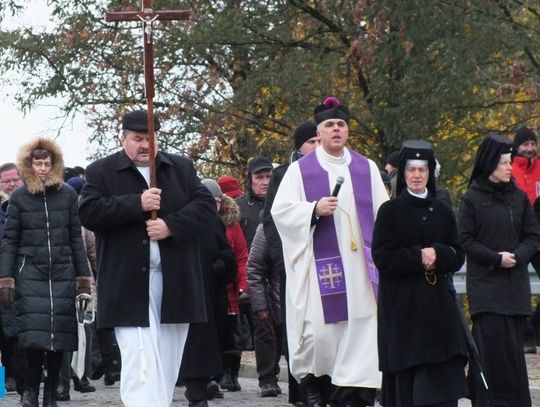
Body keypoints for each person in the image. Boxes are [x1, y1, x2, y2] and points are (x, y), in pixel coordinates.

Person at [78, 110, 216, 407]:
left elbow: (206, 206)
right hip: (128, 285)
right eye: (137, 139)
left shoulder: (180, 168)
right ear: (123, 139)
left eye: (150, 139)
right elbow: (89, 212)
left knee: (166, 363)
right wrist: (135, 203)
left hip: (176, 283)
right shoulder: (102, 171)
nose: (144, 145)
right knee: (141, 362)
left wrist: (171, 226)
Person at [271, 96, 388, 406]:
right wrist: (313, 209)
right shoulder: (301, 171)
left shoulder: (367, 168)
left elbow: (384, 214)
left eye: (341, 125)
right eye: (329, 125)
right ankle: (322, 388)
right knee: (322, 334)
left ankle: (357, 396)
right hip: (324, 271)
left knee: (363, 331)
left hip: (363, 272)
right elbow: (280, 212)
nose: (336, 129)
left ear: (347, 131)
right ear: (319, 133)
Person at [372, 140, 469, 406]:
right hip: (403, 311)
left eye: (422, 170)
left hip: (438, 312)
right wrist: (418, 257)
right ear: (403, 174)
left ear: (429, 173)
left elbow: (458, 253)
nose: (416, 175)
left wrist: (439, 254)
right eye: (411, 170)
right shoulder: (390, 211)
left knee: (441, 390)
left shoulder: (442, 211)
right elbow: (382, 256)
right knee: (408, 392)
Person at [0, 138, 92, 407]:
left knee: (60, 338)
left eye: (47, 163)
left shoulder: (67, 196)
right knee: (31, 338)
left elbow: (77, 239)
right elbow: (9, 241)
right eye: (37, 163)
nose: (42, 168)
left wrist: (83, 280)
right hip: (30, 274)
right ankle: (29, 391)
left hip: (63, 273)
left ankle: (51, 392)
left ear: (55, 165)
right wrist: (6, 280)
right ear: (28, 165)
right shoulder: (18, 197)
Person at [458, 133, 540, 406]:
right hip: (486, 291)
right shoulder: (472, 199)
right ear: (491, 164)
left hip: (514, 289)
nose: (509, 167)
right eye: (505, 162)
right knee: (491, 354)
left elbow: (533, 235)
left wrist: (518, 255)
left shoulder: (518, 198)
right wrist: (496, 258)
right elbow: (466, 240)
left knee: (513, 358)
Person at [263, 120, 320, 406]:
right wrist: (283, 257)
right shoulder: (284, 175)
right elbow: (272, 220)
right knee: (297, 329)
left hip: (326, 263)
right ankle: (300, 391)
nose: (317, 147)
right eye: (312, 142)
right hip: (294, 263)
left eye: (320, 142)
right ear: (299, 146)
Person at [179, 179, 237, 407]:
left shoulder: (214, 222)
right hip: (188, 292)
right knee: (194, 344)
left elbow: (227, 254)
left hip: (213, 294)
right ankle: (196, 394)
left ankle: (205, 384)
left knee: (211, 344)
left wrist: (224, 263)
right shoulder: (182, 220)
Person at [216, 176, 249, 392]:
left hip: (231, 290)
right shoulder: (202, 220)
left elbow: (241, 256)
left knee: (233, 334)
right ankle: (217, 375)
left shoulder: (232, 224)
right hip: (213, 288)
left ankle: (231, 374)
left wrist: (243, 285)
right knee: (216, 334)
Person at [511, 126, 540, 353]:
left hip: (538, 240)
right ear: (517, 146)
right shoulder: (508, 169)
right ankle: (524, 336)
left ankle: (534, 327)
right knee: (517, 289)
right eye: (526, 144)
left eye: (532, 144)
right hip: (516, 241)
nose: (530, 149)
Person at [0, 163, 24, 395]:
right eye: (6, 181)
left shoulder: (29, 205)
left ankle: (20, 375)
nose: (11, 184)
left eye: (15, 179)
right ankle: (6, 377)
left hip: (25, 277)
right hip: (3, 279)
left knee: (19, 331)